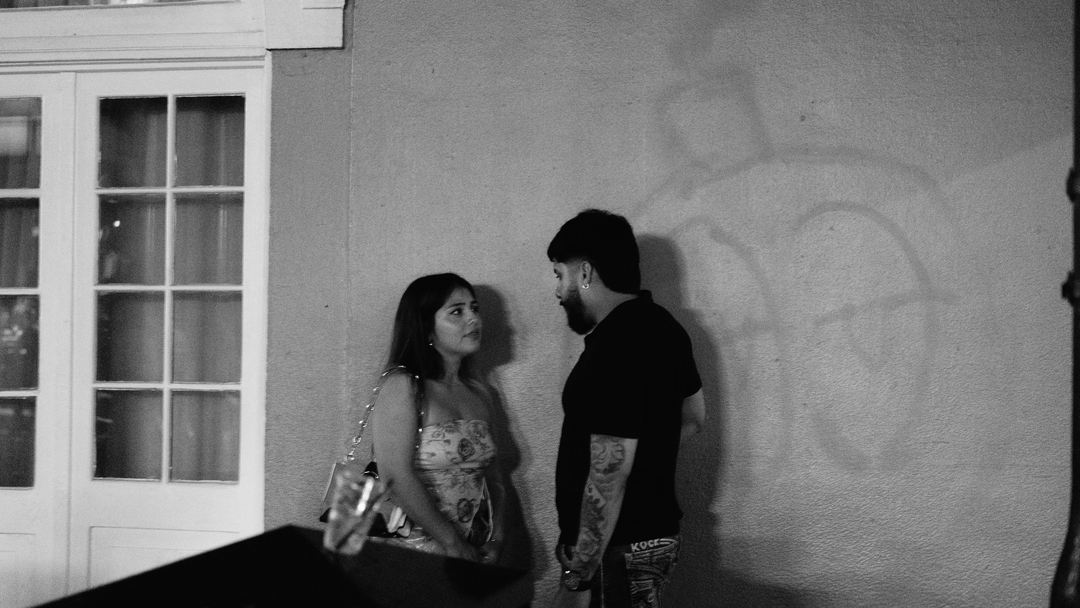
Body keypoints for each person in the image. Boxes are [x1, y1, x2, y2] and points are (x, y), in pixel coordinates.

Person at [547, 210, 705, 608]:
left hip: (617, 548)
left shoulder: (614, 347)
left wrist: (579, 575)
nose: (558, 291)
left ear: (585, 272)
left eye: (559, 275)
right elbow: (693, 418)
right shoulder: (666, 327)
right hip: (651, 538)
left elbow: (609, 474)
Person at [366, 273, 504, 563]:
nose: (473, 319)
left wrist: (496, 537)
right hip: (413, 554)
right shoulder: (403, 386)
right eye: (457, 311)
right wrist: (453, 543)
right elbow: (395, 477)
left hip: (473, 550)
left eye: (474, 308)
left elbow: (493, 477)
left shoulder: (478, 392)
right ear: (426, 328)